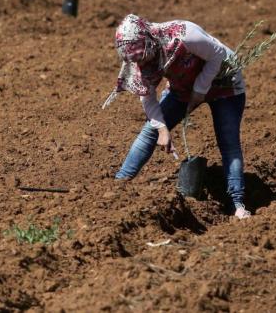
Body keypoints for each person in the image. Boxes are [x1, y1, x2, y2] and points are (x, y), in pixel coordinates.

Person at [104, 15, 251, 219]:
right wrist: (162, 130)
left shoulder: (184, 36)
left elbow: (217, 55)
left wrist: (199, 91)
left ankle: (237, 203)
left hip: (223, 82)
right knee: (150, 132)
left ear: (150, 40)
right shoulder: (138, 59)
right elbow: (147, 98)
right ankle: (119, 185)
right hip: (183, 88)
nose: (143, 63)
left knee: (228, 143)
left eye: (144, 57)